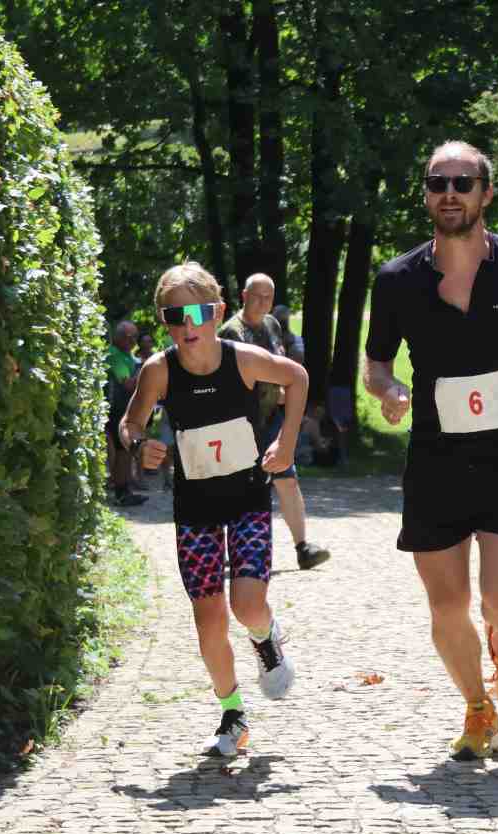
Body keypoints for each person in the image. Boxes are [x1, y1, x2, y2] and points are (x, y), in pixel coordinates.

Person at [364, 139, 498, 760]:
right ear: (426, 195)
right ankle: (477, 707)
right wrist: (388, 390)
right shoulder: (397, 279)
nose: (450, 193)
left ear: (486, 193)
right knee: (447, 605)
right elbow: (375, 364)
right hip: (435, 460)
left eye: (463, 183)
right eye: (438, 183)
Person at [119, 262, 309, 756]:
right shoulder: (159, 370)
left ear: (218, 312)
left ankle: (265, 637)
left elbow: (297, 377)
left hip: (247, 499)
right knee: (208, 619)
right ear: (164, 321)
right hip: (195, 508)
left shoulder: (242, 359)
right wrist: (138, 445)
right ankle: (233, 714)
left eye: (199, 313)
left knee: (247, 605)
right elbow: (129, 423)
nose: (188, 325)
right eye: (174, 316)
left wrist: (287, 442)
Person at [219, 273, 331, 571]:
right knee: (240, 485)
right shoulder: (231, 332)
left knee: (287, 478)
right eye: (256, 296)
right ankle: (236, 547)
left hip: (271, 418)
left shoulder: (272, 325)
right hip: (241, 422)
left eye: (267, 297)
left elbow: (279, 364)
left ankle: (303, 547)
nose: (262, 302)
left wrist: (283, 393)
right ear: (244, 296)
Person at [105, 319, 146, 507]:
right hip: (117, 410)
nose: (133, 341)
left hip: (124, 409)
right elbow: (128, 384)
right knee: (122, 450)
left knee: (126, 451)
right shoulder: (114, 355)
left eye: (135, 337)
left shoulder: (125, 354)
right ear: (118, 337)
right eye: (130, 337)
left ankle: (125, 490)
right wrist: (144, 369)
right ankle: (121, 493)